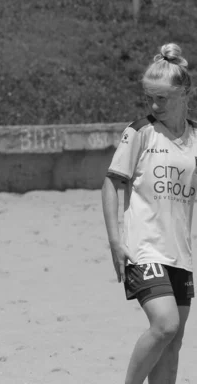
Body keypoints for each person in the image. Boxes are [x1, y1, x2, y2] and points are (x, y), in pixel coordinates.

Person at [102, 43, 196, 384]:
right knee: (165, 325)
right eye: (149, 98)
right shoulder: (141, 130)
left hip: (180, 254)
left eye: (162, 98)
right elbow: (112, 183)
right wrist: (115, 240)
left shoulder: (196, 137)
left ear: (185, 93)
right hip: (143, 249)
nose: (154, 106)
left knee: (173, 344)